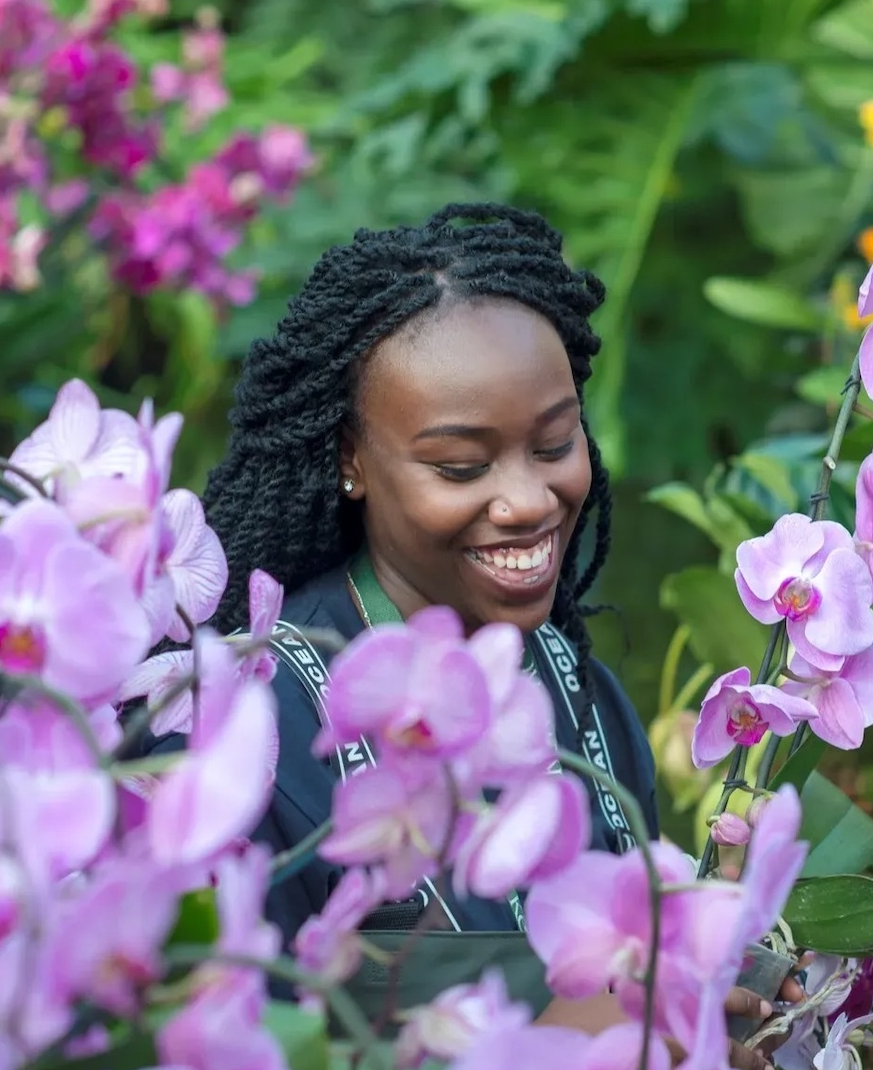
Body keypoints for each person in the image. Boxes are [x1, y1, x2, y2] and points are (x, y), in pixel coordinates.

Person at [145, 203, 789, 1068]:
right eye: (461, 467)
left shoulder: (573, 686)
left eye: (555, 443)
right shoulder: (259, 728)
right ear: (351, 460)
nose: (527, 500)